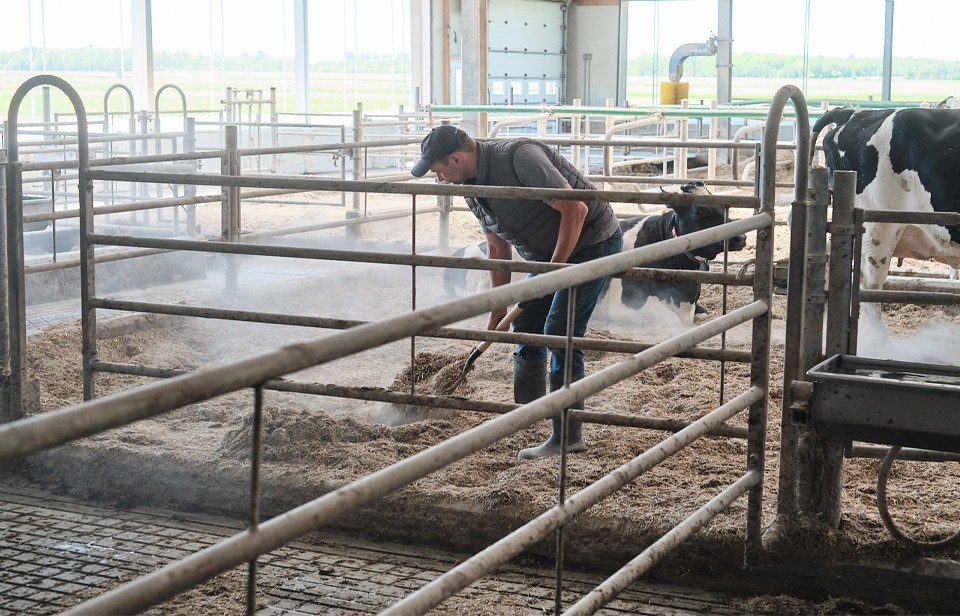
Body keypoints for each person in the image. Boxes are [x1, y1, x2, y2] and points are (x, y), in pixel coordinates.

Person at [411, 125, 623, 459]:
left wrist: (551, 273)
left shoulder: (519, 156)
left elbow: (575, 209)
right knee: (526, 325)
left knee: (560, 331)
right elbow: (497, 248)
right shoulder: (470, 186)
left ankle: (567, 434)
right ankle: (532, 411)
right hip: (547, 254)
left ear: (455, 158)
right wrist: (499, 306)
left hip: (591, 240)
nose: (438, 179)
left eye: (438, 171)